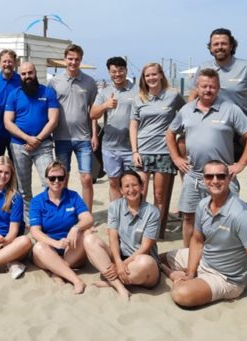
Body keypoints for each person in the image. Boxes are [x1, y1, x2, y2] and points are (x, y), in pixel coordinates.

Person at [160, 160, 247, 327]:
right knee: (160, 259)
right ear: (203, 179)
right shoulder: (202, 205)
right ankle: (183, 276)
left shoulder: (241, 215)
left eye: (221, 176)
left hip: (226, 278)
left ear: (229, 179)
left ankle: (187, 281)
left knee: (181, 295)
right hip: (205, 260)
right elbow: (197, 240)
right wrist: (191, 273)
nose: (215, 180)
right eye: (210, 176)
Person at [166, 68, 247, 247]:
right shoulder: (186, 110)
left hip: (222, 178)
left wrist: (241, 164)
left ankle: (220, 259)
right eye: (204, 86)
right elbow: (170, 134)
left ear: (218, 88)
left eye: (212, 86)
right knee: (189, 218)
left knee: (225, 220)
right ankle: (189, 257)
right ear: (197, 87)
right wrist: (177, 158)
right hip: (194, 177)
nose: (208, 90)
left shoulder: (230, 109)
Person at [191, 28, 247, 219]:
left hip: (241, 125)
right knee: (181, 142)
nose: (219, 47)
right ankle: (192, 196)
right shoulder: (204, 68)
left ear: (231, 46)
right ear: (210, 47)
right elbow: (194, 95)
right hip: (212, 123)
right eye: (215, 44)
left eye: (223, 43)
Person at [84, 170, 160, 299]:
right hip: (120, 258)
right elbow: (112, 238)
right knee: (89, 240)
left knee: (145, 262)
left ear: (142, 186)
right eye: (126, 186)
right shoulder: (114, 206)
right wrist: (118, 262)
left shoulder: (152, 212)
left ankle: (111, 281)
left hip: (141, 262)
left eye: (135, 185)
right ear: (121, 190)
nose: (131, 189)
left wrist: (122, 265)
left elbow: (145, 248)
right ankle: (119, 286)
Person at [130, 63, 185, 231]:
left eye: (154, 74)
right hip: (143, 152)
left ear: (161, 75)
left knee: (160, 196)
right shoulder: (138, 98)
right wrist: (134, 151)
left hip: (164, 152)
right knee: (139, 194)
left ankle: (156, 231)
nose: (151, 78)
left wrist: (179, 136)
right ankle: (138, 229)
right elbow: (133, 126)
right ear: (143, 79)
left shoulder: (173, 95)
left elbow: (187, 116)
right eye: (147, 75)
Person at [4, 62, 59, 219]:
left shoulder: (48, 92)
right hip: (19, 145)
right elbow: (8, 122)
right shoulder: (14, 94)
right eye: (24, 74)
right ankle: (28, 219)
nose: (27, 76)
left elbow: (53, 120)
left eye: (30, 73)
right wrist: (28, 139)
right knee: (23, 188)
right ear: (19, 75)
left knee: (49, 181)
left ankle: (48, 215)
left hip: (44, 145)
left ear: (35, 73)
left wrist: (38, 139)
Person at [30, 161, 94, 294]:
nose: (56, 181)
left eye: (60, 177)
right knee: (38, 247)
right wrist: (55, 243)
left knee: (86, 234)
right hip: (49, 249)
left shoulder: (73, 196)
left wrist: (76, 228)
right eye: (52, 178)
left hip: (70, 250)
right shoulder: (37, 201)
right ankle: (76, 280)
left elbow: (88, 218)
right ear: (46, 179)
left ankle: (57, 272)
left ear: (65, 179)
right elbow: (35, 231)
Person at [49, 44, 98, 212]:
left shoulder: (90, 82)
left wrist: (94, 135)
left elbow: (94, 111)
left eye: (76, 59)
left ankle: (87, 214)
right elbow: (49, 110)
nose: (73, 62)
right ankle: (65, 212)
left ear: (81, 60)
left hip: (83, 138)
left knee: (86, 178)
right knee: (63, 178)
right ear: (65, 60)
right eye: (70, 59)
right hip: (61, 138)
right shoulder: (54, 82)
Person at [90, 56, 138, 201]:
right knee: (113, 182)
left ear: (126, 70)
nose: (117, 74)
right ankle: (116, 216)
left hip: (132, 147)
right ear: (109, 73)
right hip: (110, 147)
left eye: (120, 70)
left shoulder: (137, 91)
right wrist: (106, 105)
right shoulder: (104, 92)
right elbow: (92, 114)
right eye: (114, 71)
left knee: (132, 184)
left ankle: (132, 215)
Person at [0, 49, 21, 160]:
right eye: (4, 61)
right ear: (0, 63)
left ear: (15, 63)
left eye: (9, 61)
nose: (7, 64)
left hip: (16, 133)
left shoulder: (21, 80)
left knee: (17, 168)